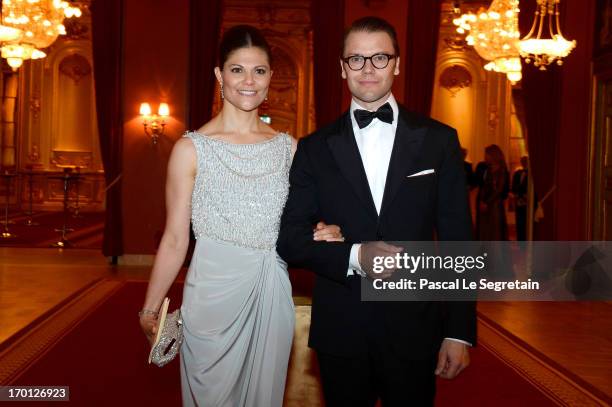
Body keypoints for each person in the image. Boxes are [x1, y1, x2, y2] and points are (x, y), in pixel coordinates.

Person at [139, 25, 344, 407]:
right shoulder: (191, 149)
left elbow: (305, 221)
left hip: (271, 289)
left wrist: (325, 229)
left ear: (270, 78)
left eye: (260, 71)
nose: (249, 81)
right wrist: (151, 308)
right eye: (237, 70)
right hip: (210, 298)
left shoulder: (290, 149)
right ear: (219, 75)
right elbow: (175, 238)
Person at [277, 16, 476, 406]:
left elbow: (458, 242)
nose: (368, 69)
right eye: (356, 59)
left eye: (380, 58)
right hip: (343, 327)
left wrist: (458, 331)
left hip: (416, 326)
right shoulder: (314, 148)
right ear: (341, 67)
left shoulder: (439, 141)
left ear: (397, 64)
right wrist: (354, 254)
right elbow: (290, 239)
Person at [476, 144, 510, 241]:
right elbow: (483, 186)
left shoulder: (502, 170)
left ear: (493, 155)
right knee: (484, 232)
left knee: (494, 233)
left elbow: (499, 190)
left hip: (494, 205)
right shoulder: (487, 169)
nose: (485, 157)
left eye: (486, 154)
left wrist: (487, 202)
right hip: (485, 204)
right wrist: (482, 201)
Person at [512, 156, 529, 241]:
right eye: (522, 161)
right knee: (519, 222)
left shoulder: (531, 173)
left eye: (525, 161)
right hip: (519, 201)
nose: (524, 162)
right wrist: (518, 195)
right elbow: (513, 187)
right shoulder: (517, 173)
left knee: (526, 222)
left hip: (528, 202)